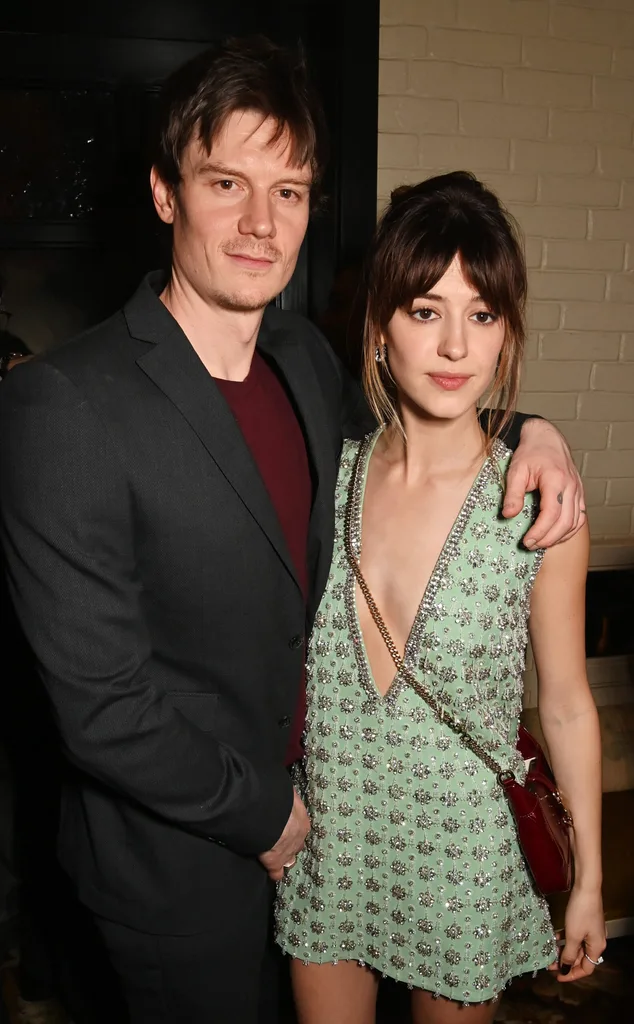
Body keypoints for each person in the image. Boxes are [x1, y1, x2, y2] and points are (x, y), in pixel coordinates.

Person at [0, 37, 584, 1024]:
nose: (261, 224)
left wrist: (534, 432)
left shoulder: (303, 363)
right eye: (226, 181)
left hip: (335, 846)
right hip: (183, 872)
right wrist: (268, 816)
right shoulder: (67, 405)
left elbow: (420, 440)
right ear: (163, 192)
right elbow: (100, 704)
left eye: (292, 191)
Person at [275, 172, 605, 1024]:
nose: (457, 345)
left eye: (482, 315)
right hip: (333, 841)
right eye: (427, 310)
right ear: (381, 327)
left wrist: (589, 882)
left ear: (506, 333)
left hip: (462, 859)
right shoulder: (325, 477)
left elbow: (566, 705)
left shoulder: (541, 504)